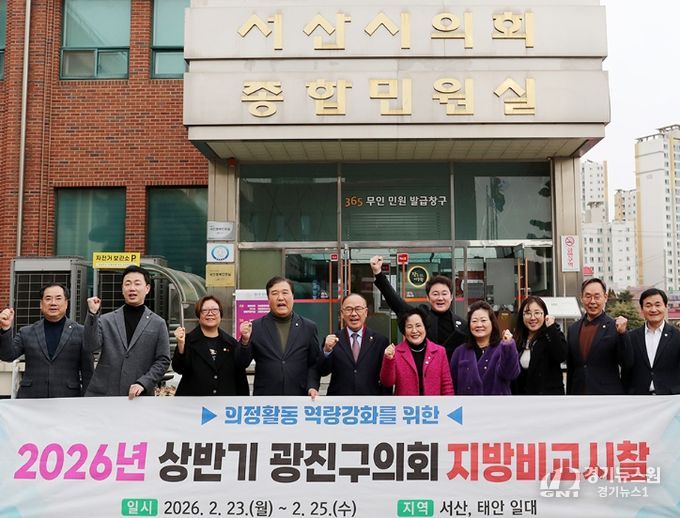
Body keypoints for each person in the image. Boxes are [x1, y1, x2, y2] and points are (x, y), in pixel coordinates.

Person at [84, 265, 171, 398]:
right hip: (105, 394)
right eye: (127, 284)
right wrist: (92, 314)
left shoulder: (158, 323)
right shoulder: (106, 320)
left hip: (139, 396)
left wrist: (143, 383)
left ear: (147, 288)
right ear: (122, 289)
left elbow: (163, 360)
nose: (132, 288)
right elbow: (90, 346)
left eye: (137, 283)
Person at [0, 283, 93, 398]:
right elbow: (7, 356)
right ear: (41, 304)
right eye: (48, 298)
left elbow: (88, 372)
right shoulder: (26, 332)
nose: (53, 303)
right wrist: (5, 328)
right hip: (31, 398)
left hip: (67, 398)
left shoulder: (81, 332)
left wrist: (86, 400)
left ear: (66, 303)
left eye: (58, 298)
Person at [239, 276, 320, 396]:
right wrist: (245, 341)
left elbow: (314, 363)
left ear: (293, 296)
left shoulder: (308, 327)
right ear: (268, 298)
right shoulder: (256, 327)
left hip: (299, 396)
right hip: (266, 397)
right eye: (275, 293)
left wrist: (312, 386)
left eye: (285, 293)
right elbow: (242, 363)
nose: (280, 298)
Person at [172, 295, 249, 396]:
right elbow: (179, 368)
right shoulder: (188, 340)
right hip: (193, 402)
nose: (210, 313)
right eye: (205, 310)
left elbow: (240, 377)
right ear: (198, 315)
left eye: (215, 310)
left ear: (220, 314)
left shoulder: (231, 344)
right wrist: (181, 345)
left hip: (224, 402)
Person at [566, 278, 632, 395]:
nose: (592, 301)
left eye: (597, 297)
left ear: (605, 297)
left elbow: (627, 363)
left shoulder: (615, 326)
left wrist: (623, 334)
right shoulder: (573, 329)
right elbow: (571, 368)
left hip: (606, 396)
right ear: (581, 298)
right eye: (588, 296)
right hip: (579, 394)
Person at [319, 293, 390, 395]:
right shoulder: (332, 340)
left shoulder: (380, 341)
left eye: (358, 309)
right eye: (348, 309)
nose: (353, 313)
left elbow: (386, 377)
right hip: (340, 401)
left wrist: (386, 400)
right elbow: (322, 371)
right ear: (342, 313)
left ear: (366, 312)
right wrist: (326, 351)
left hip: (370, 401)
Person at [450, 301, 519, 395]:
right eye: (474, 321)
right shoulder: (460, 352)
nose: (479, 325)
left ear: (492, 322)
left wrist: (508, 346)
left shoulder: (502, 348)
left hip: (497, 404)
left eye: (483, 320)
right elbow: (452, 384)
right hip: (468, 404)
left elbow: (510, 374)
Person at [380, 307, 453, 395]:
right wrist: (388, 360)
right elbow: (387, 382)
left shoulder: (439, 352)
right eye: (409, 327)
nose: (414, 331)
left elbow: (447, 385)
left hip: (433, 404)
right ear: (404, 330)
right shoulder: (396, 352)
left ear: (425, 327)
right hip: (405, 404)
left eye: (418, 326)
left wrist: (448, 403)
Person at [623, 288, 680, 395]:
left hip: (670, 398)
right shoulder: (631, 337)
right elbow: (626, 368)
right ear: (642, 309)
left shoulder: (677, 336)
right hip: (639, 398)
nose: (653, 310)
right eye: (648, 305)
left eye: (658, 305)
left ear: (666, 307)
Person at [512, 296, 567, 395]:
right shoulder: (517, 338)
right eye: (528, 313)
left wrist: (551, 328)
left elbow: (561, 356)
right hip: (523, 398)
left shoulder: (552, 332)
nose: (533, 318)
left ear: (544, 314)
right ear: (522, 316)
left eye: (537, 313)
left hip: (548, 397)